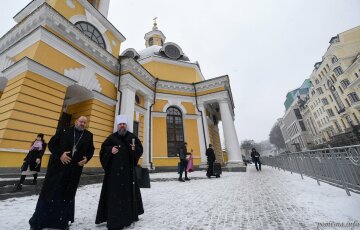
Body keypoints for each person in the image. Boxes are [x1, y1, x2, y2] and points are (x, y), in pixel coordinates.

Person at [29, 116, 94, 230]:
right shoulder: (64, 130)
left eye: (85, 122)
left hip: (73, 172)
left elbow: (91, 149)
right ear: (76, 122)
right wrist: (60, 155)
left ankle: (61, 223)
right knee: (49, 194)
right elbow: (51, 145)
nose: (83, 124)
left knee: (66, 196)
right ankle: (38, 222)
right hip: (57, 170)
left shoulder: (88, 135)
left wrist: (86, 159)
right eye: (81, 121)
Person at [95, 114, 144, 229]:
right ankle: (114, 218)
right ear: (118, 126)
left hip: (128, 174)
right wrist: (110, 150)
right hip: (114, 174)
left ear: (126, 126)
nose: (122, 126)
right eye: (120, 124)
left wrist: (134, 150)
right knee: (114, 196)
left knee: (127, 195)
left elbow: (139, 149)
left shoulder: (132, 137)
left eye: (124, 124)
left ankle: (128, 218)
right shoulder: (111, 138)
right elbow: (103, 151)